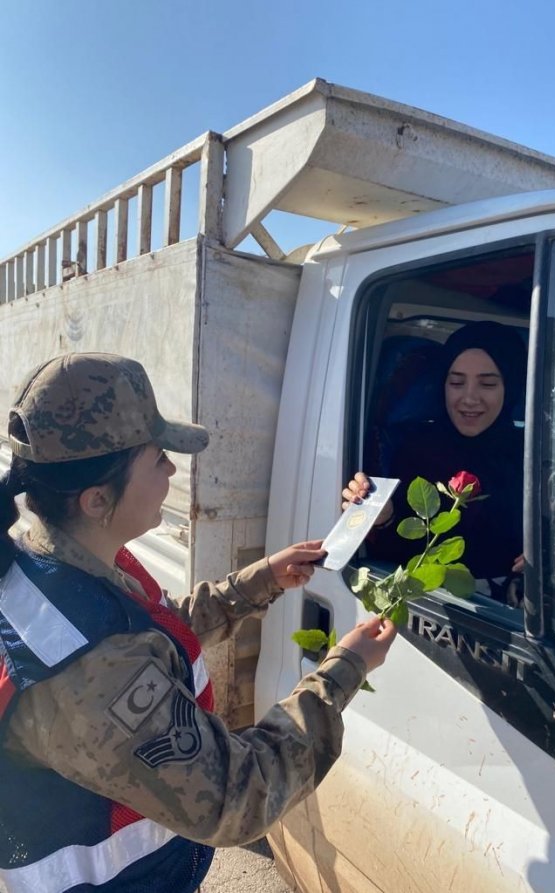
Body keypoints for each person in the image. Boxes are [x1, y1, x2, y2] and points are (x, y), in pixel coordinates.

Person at [0, 352, 396, 893]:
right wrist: (341, 672)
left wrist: (260, 582)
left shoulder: (57, 558)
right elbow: (238, 797)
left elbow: (154, 630)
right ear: (96, 499)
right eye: (157, 457)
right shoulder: (89, 672)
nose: (170, 470)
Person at [343, 320, 527, 587]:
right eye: (456, 383)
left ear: (511, 388)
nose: (469, 398)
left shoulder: (533, 454)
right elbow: (396, 560)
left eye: (487, 384)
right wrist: (382, 518)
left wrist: (549, 558)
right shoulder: (416, 451)